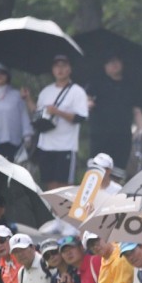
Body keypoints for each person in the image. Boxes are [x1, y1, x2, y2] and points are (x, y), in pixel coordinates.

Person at [21, 55, 88, 190]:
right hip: (46, 145)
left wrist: (58, 112)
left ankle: (65, 212)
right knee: (49, 184)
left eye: (64, 66)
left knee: (64, 186)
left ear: (70, 69)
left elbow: (80, 118)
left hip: (66, 146)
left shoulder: (77, 92)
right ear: (52, 69)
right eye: (57, 66)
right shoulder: (46, 91)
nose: (60, 69)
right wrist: (28, 99)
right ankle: (52, 211)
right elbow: (38, 113)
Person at [86, 53, 142, 170]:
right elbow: (86, 100)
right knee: (97, 168)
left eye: (117, 61)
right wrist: (87, 103)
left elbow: (137, 110)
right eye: (110, 61)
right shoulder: (96, 82)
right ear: (105, 66)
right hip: (100, 134)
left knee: (118, 169)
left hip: (122, 134)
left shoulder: (130, 85)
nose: (114, 64)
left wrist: (141, 129)